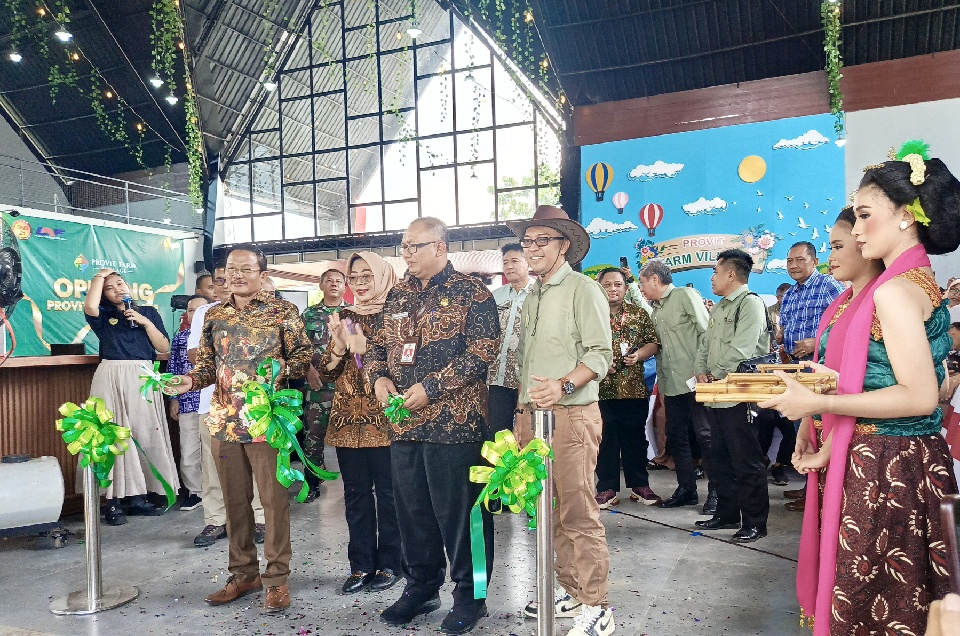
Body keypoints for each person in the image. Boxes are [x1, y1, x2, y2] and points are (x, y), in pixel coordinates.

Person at [762, 145, 960, 635]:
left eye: (865, 215)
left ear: (905, 218)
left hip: (886, 468)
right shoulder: (917, 280)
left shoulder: (893, 291)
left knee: (878, 605)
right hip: (908, 461)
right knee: (911, 602)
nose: (855, 230)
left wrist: (816, 403)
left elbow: (918, 395)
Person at [368, 218, 499, 635]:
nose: (405, 253)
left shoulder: (472, 292)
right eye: (402, 246)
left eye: (413, 246)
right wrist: (378, 378)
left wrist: (433, 386)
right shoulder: (398, 294)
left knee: (461, 517)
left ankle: (471, 597)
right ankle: (422, 587)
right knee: (412, 514)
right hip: (404, 425)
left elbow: (483, 350)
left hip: (454, 425)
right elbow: (376, 347)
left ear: (440, 247)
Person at [170, 244, 313, 614]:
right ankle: (243, 574)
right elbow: (205, 367)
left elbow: (302, 356)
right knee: (234, 504)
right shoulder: (214, 315)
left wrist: (283, 368)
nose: (237, 275)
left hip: (266, 422)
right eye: (231, 269)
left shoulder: (283, 311)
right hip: (225, 423)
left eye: (246, 269)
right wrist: (188, 382)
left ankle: (277, 579)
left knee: (272, 502)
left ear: (262, 275)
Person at [508, 205, 615, 636]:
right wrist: (521, 414)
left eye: (540, 241)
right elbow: (527, 362)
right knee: (549, 510)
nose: (531, 249)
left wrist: (564, 386)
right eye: (526, 242)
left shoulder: (582, 290)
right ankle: (570, 588)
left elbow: (599, 354)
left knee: (578, 511)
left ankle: (597, 605)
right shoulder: (533, 294)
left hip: (571, 415)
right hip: (536, 419)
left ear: (563, 246)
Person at [318, 252, 401, 595]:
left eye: (368, 275)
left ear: (382, 276)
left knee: (390, 496)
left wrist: (366, 349)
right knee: (355, 496)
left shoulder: (400, 315)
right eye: (355, 277)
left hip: (388, 421)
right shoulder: (345, 316)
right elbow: (327, 371)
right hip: (348, 423)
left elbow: (405, 366)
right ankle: (360, 565)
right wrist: (338, 347)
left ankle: (391, 563)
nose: (361, 283)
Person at [83, 269, 179, 526]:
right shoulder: (103, 315)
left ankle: (138, 497)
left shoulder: (148, 313)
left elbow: (163, 348)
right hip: (112, 374)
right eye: (110, 287)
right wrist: (99, 278)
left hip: (142, 375)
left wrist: (145, 322)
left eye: (120, 283)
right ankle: (112, 501)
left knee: (143, 432)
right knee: (113, 435)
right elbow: (90, 306)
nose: (117, 289)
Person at [693, 249, 770, 543]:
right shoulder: (722, 307)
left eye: (715, 271)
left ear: (730, 274)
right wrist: (701, 370)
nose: (711, 277)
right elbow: (705, 344)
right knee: (719, 458)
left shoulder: (750, 305)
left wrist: (716, 373)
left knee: (747, 460)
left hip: (740, 395)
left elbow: (742, 349)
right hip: (716, 394)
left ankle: (754, 522)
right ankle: (726, 513)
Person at [187, 265, 267, 547]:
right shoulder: (204, 313)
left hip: (252, 402)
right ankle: (215, 520)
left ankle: (260, 518)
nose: (225, 284)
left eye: (230, 278)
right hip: (213, 400)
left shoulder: (261, 311)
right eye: (218, 280)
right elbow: (195, 353)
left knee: (256, 462)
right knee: (212, 464)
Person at [639, 260, 716, 514]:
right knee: (677, 437)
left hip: (696, 380)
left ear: (654, 279)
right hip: (671, 385)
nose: (641, 288)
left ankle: (716, 493)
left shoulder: (685, 296)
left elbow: (707, 332)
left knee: (705, 436)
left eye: (642, 282)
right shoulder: (656, 310)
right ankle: (687, 490)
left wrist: (703, 367)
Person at [594, 267, 661, 509]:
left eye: (618, 285)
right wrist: (600, 364)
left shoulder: (639, 314)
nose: (613, 289)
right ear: (599, 286)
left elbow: (654, 343)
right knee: (605, 440)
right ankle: (606, 488)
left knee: (635, 439)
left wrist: (640, 354)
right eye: (607, 284)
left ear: (625, 288)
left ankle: (640, 485)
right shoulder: (591, 314)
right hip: (600, 389)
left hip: (633, 389)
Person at [301, 268, 348, 502]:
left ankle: (353, 483)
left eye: (339, 281)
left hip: (345, 389)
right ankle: (311, 483)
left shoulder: (353, 314)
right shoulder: (308, 315)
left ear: (345, 286)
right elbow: (299, 348)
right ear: (320, 285)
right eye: (329, 281)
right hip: (317, 387)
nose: (334, 284)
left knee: (348, 438)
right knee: (313, 437)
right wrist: (308, 370)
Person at [167, 294, 211, 511]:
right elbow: (173, 369)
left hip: (214, 402)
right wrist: (173, 398)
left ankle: (218, 492)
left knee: (215, 452)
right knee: (190, 451)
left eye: (200, 309)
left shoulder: (217, 333)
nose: (194, 314)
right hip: (187, 401)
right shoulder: (181, 338)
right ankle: (196, 492)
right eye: (191, 310)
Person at [487, 244, 534, 437]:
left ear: (528, 263)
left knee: (526, 433)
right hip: (497, 378)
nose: (509, 266)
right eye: (505, 262)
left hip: (528, 378)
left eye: (515, 261)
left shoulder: (539, 294)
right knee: (498, 435)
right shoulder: (494, 296)